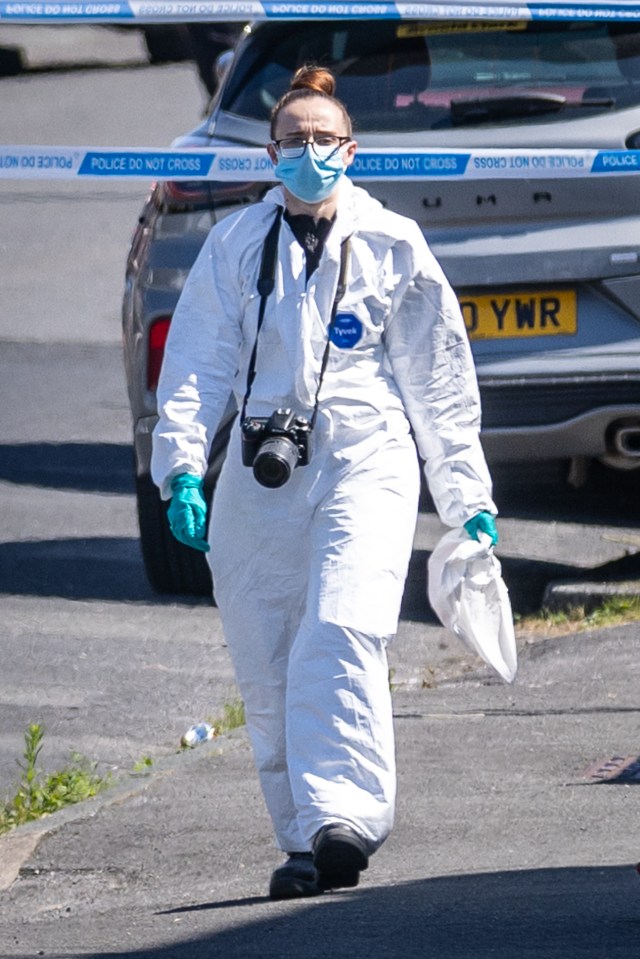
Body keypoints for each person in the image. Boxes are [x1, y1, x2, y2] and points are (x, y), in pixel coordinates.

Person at [151, 64, 498, 900]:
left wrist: (467, 497)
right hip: (260, 474)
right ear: (271, 152)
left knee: (341, 627)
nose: (310, 152)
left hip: (363, 456)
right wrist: (183, 470)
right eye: (295, 140)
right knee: (268, 656)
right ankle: (307, 837)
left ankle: (348, 814)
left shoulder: (391, 243)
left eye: (325, 139)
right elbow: (197, 364)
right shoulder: (236, 245)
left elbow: (439, 379)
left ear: (353, 148)